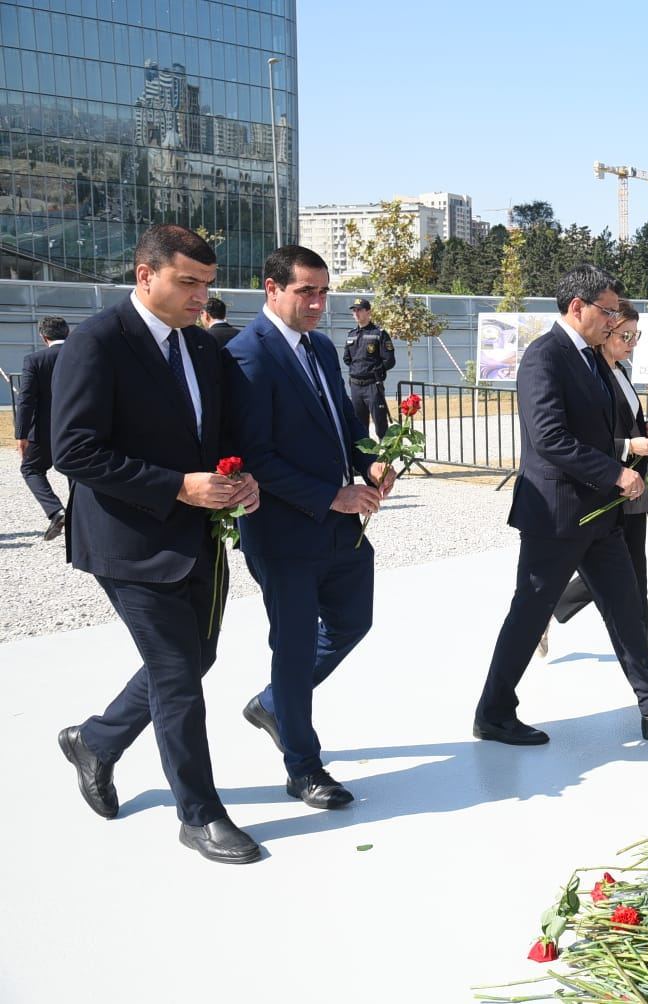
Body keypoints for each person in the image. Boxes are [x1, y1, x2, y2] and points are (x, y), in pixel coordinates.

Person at [51, 224, 264, 864]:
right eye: (188, 282)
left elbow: (216, 435)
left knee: (194, 660)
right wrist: (178, 488)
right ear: (146, 276)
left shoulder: (200, 349)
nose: (202, 296)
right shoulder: (96, 343)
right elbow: (75, 451)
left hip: (198, 537)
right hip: (127, 540)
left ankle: (96, 740)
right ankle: (199, 815)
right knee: (178, 675)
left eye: (207, 284)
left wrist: (238, 477)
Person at [474, 264, 648, 745]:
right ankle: (494, 712)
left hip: (599, 512)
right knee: (529, 613)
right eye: (606, 311)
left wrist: (630, 440)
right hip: (557, 512)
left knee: (625, 607)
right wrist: (616, 470)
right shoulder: (546, 357)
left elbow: (598, 427)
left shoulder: (590, 357)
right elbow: (549, 439)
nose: (612, 321)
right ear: (577, 306)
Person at [223, 246, 393, 810]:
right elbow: (257, 457)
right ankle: (303, 766)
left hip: (341, 529)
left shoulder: (320, 346)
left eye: (324, 291)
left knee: (353, 621)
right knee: (293, 650)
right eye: (306, 292)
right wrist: (332, 495)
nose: (320, 303)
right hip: (284, 532)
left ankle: (275, 704)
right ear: (271, 290)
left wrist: (368, 461)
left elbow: (343, 423)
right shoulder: (248, 355)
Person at [550, 302, 648, 672]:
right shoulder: (593, 375)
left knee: (627, 568)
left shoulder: (618, 370)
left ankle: (549, 606)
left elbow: (623, 421)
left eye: (637, 335)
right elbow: (584, 436)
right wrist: (625, 446)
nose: (632, 342)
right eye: (625, 335)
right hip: (611, 482)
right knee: (626, 570)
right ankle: (641, 650)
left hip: (633, 482)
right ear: (606, 333)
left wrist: (643, 431)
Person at [14, 315, 69, 540]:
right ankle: (81, 518)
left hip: (44, 430)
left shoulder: (34, 360)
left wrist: (21, 434)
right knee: (79, 472)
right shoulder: (84, 355)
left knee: (31, 469)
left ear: (43, 336)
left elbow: (26, 400)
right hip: (79, 427)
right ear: (68, 333)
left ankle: (56, 510)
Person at [343, 297, 395, 439]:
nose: (356, 313)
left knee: (380, 424)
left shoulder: (379, 333)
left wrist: (376, 371)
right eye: (354, 310)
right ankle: (365, 459)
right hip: (356, 386)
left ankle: (386, 457)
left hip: (373, 385)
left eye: (359, 310)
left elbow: (389, 360)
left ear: (368, 312)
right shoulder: (351, 334)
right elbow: (347, 359)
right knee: (359, 426)